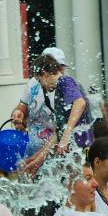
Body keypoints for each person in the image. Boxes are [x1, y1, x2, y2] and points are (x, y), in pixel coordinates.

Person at [10, 47, 66, 176]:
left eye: (61, 67)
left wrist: (38, 158)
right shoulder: (33, 84)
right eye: (56, 67)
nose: (60, 72)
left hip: (53, 152)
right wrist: (18, 114)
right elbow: (21, 107)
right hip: (31, 147)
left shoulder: (65, 90)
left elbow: (61, 132)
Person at [32, 54, 93, 156]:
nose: (41, 85)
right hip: (78, 148)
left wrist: (65, 138)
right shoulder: (61, 87)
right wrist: (36, 159)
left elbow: (80, 103)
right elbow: (59, 130)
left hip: (81, 147)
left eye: (39, 80)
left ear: (44, 73)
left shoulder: (64, 81)